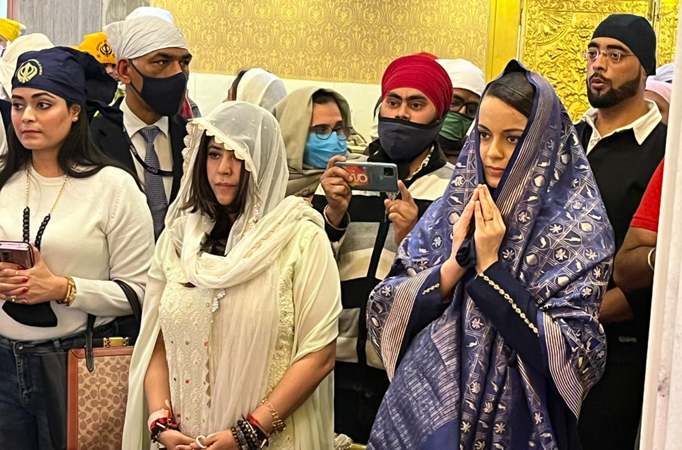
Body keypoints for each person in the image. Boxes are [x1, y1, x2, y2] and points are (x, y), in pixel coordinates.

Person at [366, 61, 614, 450]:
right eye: (483, 135)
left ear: (543, 141)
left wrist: (492, 270)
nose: (493, 153)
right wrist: (453, 266)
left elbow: (576, 357)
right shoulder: (451, 209)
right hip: (427, 417)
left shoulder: (579, 228)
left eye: (513, 138)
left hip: (520, 426)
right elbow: (383, 309)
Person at [122, 101, 341, 450]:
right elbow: (157, 344)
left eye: (239, 156)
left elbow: (319, 355)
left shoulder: (299, 239)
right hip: (185, 440)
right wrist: (160, 423)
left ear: (263, 163)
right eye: (213, 154)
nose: (224, 169)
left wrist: (249, 433)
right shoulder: (178, 241)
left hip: (270, 438)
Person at [0, 46, 154, 450]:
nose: (26, 117)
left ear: (74, 111)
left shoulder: (112, 187)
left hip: (76, 363)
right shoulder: (4, 181)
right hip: (2, 366)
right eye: (18, 104)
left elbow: (142, 293)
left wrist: (65, 288)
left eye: (43, 104)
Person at [311, 54, 454, 444]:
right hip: (332, 364)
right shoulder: (349, 176)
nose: (401, 114)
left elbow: (455, 284)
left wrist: (413, 236)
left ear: (438, 114)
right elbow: (309, 270)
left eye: (416, 104)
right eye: (393, 102)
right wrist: (332, 214)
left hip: (404, 370)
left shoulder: (452, 190)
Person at [574, 14, 666, 450]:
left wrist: (592, 313)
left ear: (644, 67)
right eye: (594, 52)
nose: (599, 64)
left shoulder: (666, 149)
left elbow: (661, 258)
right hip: (547, 332)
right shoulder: (566, 140)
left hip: (622, 345)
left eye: (616, 54)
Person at [91, 14, 192, 239]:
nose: (178, 74)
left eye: (184, 63)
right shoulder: (91, 138)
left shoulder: (195, 138)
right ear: (125, 71)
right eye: (162, 62)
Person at [273, 87, 353, 197]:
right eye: (321, 130)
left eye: (339, 128)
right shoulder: (265, 185)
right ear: (293, 135)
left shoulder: (359, 176)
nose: (334, 138)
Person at [435, 59, 486, 163]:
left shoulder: (479, 155)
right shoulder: (409, 148)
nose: (461, 112)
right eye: (453, 104)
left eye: (472, 109)